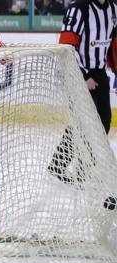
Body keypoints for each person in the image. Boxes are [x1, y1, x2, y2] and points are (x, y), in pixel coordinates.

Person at [48, 0, 117, 183]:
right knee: (82, 123)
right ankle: (60, 164)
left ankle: (82, 167)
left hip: (99, 72)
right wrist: (83, 76)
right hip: (77, 71)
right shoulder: (79, 8)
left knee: (103, 121)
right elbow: (66, 45)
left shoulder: (112, 8)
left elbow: (113, 44)